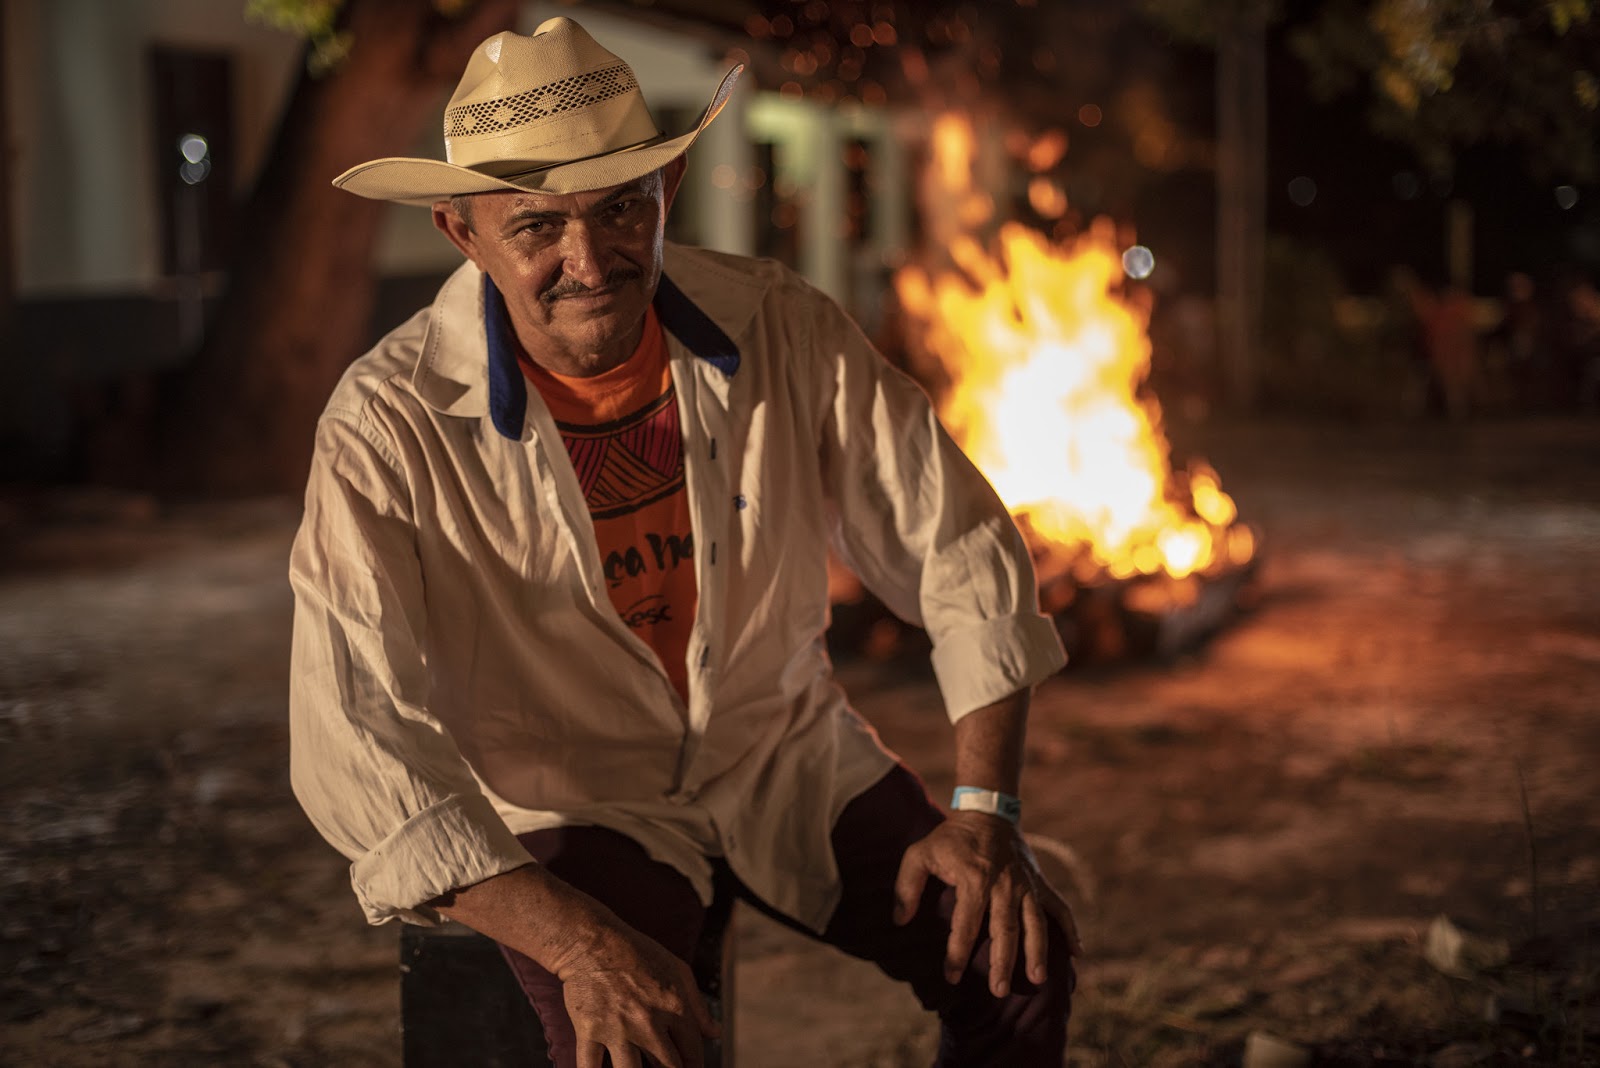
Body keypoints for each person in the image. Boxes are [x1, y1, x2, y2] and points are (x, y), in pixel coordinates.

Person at [290, 18, 1078, 1068]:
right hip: (571, 797)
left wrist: (985, 809)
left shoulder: (781, 326)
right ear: (460, 231)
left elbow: (956, 542)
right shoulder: (386, 424)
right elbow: (355, 729)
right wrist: (579, 947)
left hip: (780, 749)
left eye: (622, 207)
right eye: (537, 226)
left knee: (1014, 961)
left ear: (665, 194)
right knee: (635, 1039)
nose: (590, 259)